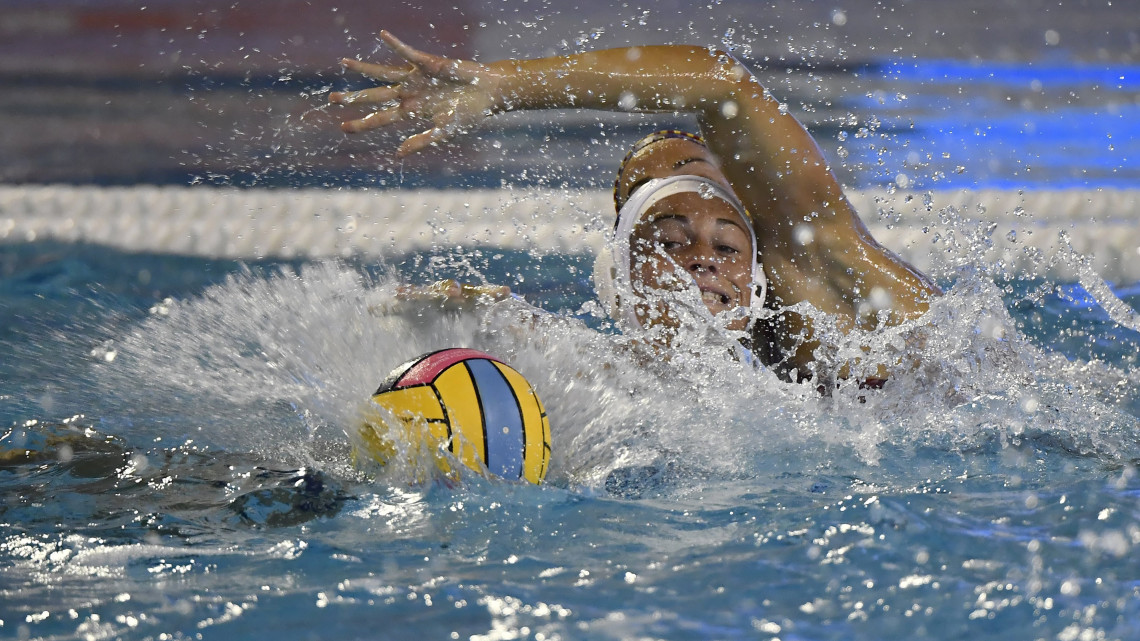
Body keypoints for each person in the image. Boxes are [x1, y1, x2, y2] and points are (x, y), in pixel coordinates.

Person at [329, 32, 941, 382]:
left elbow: (725, 86)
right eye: (670, 241)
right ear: (620, 282)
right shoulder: (602, 380)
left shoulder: (832, 304)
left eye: (727, 245)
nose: (703, 259)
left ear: (759, 273)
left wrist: (504, 86)